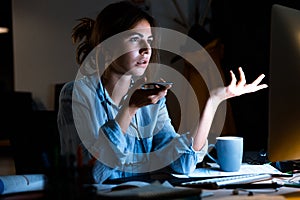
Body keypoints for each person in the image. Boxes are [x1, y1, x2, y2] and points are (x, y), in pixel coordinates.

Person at [57, 0, 268, 184]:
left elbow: (180, 163)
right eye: (134, 39)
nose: (146, 49)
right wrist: (129, 109)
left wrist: (213, 101)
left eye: (149, 41)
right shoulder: (77, 94)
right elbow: (90, 174)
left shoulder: (150, 99)